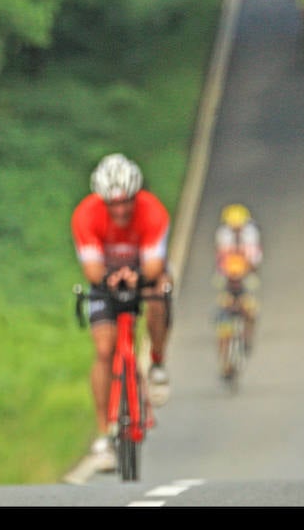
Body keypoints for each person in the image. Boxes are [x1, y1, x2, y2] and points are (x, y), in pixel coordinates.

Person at [70, 153, 173, 471]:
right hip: (106, 280)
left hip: (142, 274)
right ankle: (105, 434)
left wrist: (138, 278)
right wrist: (108, 279)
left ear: (136, 195)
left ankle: (156, 363)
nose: (121, 210)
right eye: (112, 205)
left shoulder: (153, 211)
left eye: (126, 202)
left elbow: (155, 264)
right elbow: (91, 268)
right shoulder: (85, 215)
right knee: (104, 349)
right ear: (101, 201)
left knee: (159, 294)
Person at [214, 204, 262, 355]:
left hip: (246, 273)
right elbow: (220, 256)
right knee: (223, 302)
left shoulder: (251, 234)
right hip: (227, 273)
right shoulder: (223, 234)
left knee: (250, 306)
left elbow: (254, 259)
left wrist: (247, 269)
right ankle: (223, 337)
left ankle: (247, 335)